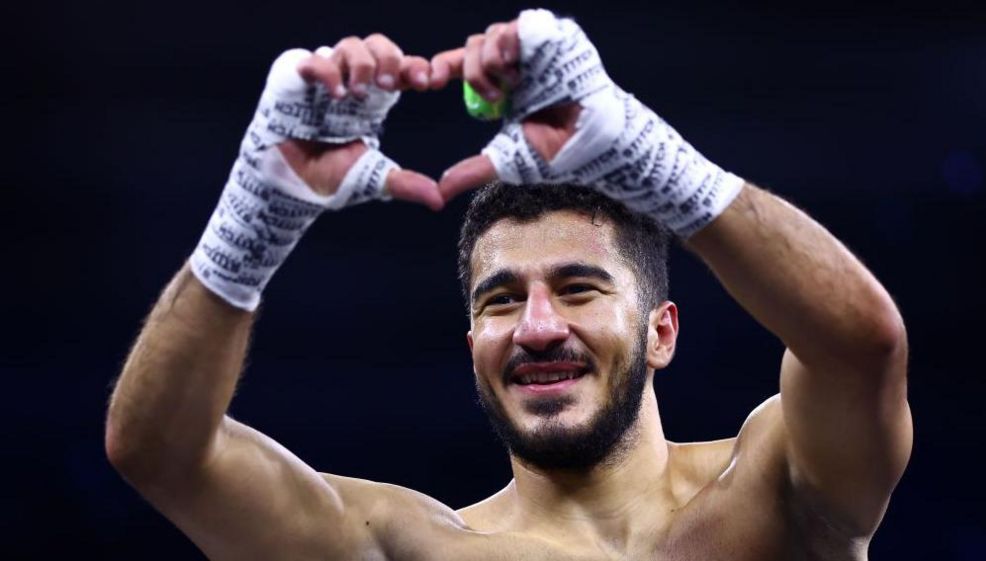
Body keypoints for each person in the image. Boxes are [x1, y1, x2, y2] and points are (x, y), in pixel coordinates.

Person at [105, 9, 912, 560]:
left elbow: (860, 349)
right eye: (499, 299)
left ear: (660, 330)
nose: (534, 326)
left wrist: (643, 154)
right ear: (472, 348)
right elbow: (161, 454)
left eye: (577, 287)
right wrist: (258, 213)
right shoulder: (413, 543)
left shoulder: (773, 488)